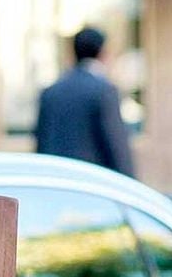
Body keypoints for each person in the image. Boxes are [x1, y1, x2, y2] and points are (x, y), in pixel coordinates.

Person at [35, 26, 135, 176]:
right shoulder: (104, 91)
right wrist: (131, 185)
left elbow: (41, 142)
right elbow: (117, 147)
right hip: (92, 185)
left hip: (55, 182)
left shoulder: (50, 92)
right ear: (102, 52)